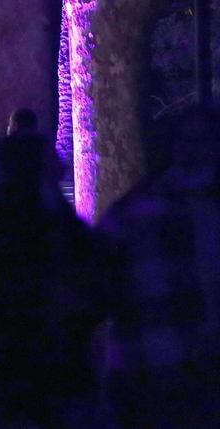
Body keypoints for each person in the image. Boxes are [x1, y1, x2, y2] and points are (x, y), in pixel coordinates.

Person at [0, 131, 108, 429]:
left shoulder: (12, 212)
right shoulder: (31, 215)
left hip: (26, 342)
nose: (60, 164)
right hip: (37, 342)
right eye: (51, 158)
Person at [101, 110, 220, 429]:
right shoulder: (140, 210)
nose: (193, 149)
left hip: (173, 358)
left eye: (203, 140)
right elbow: (99, 279)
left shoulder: (140, 208)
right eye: (186, 140)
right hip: (156, 358)